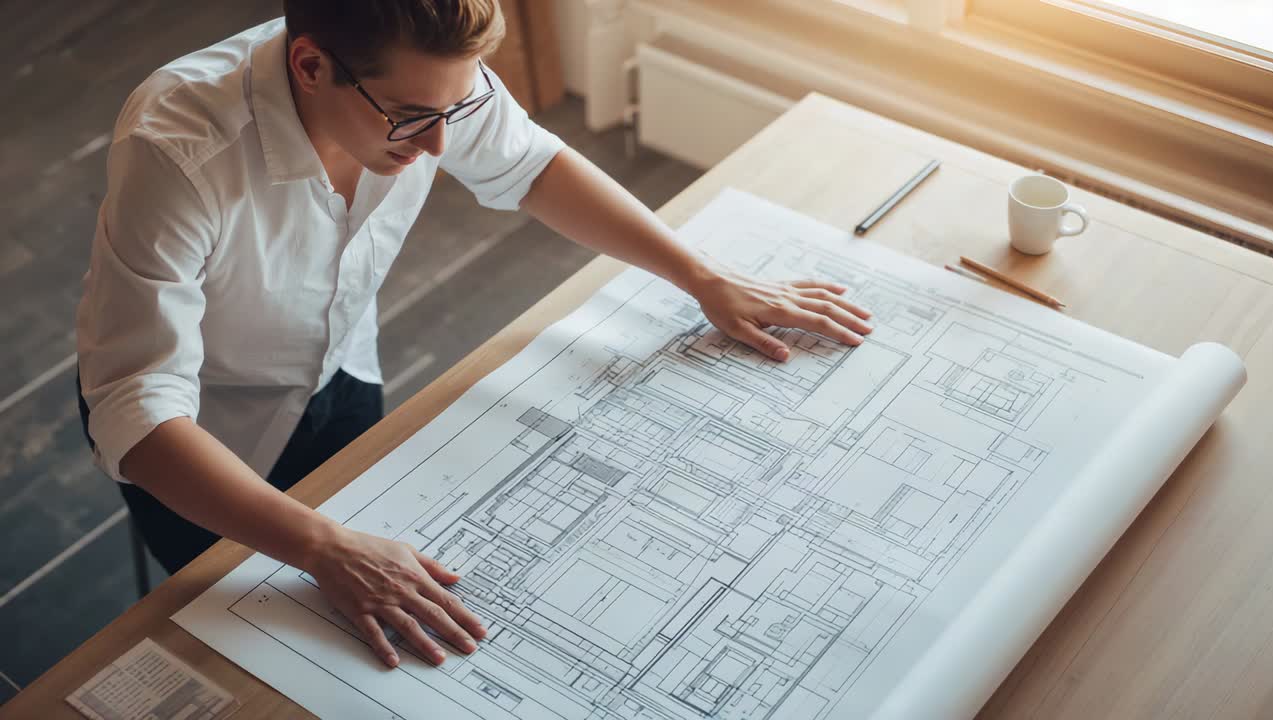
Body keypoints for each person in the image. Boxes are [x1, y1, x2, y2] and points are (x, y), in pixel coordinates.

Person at [75, 0, 874, 670]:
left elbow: (529, 163)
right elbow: (137, 409)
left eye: (456, 110)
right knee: (249, 645)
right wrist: (321, 545)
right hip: (200, 437)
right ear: (310, 65)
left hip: (341, 365)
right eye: (413, 119)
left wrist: (703, 277)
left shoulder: (420, 81)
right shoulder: (177, 149)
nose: (439, 148)